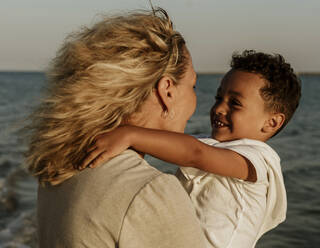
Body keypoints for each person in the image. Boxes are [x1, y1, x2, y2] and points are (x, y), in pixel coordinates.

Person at [25, 8, 207, 248]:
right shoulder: (148, 192)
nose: (195, 98)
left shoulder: (59, 165)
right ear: (167, 91)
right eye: (192, 86)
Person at [82, 50, 302, 247]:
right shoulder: (211, 144)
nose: (219, 108)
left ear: (271, 123)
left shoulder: (255, 159)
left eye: (234, 103)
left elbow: (195, 154)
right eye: (218, 98)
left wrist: (130, 134)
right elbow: (176, 144)